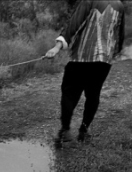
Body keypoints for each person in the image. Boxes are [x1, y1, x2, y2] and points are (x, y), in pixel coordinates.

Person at [45, 0, 125, 144]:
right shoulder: (119, 5)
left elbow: (73, 25)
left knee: (69, 93)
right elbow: (119, 34)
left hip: (82, 57)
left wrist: (57, 47)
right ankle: (83, 130)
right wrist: (114, 53)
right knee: (93, 95)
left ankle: (65, 129)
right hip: (104, 60)